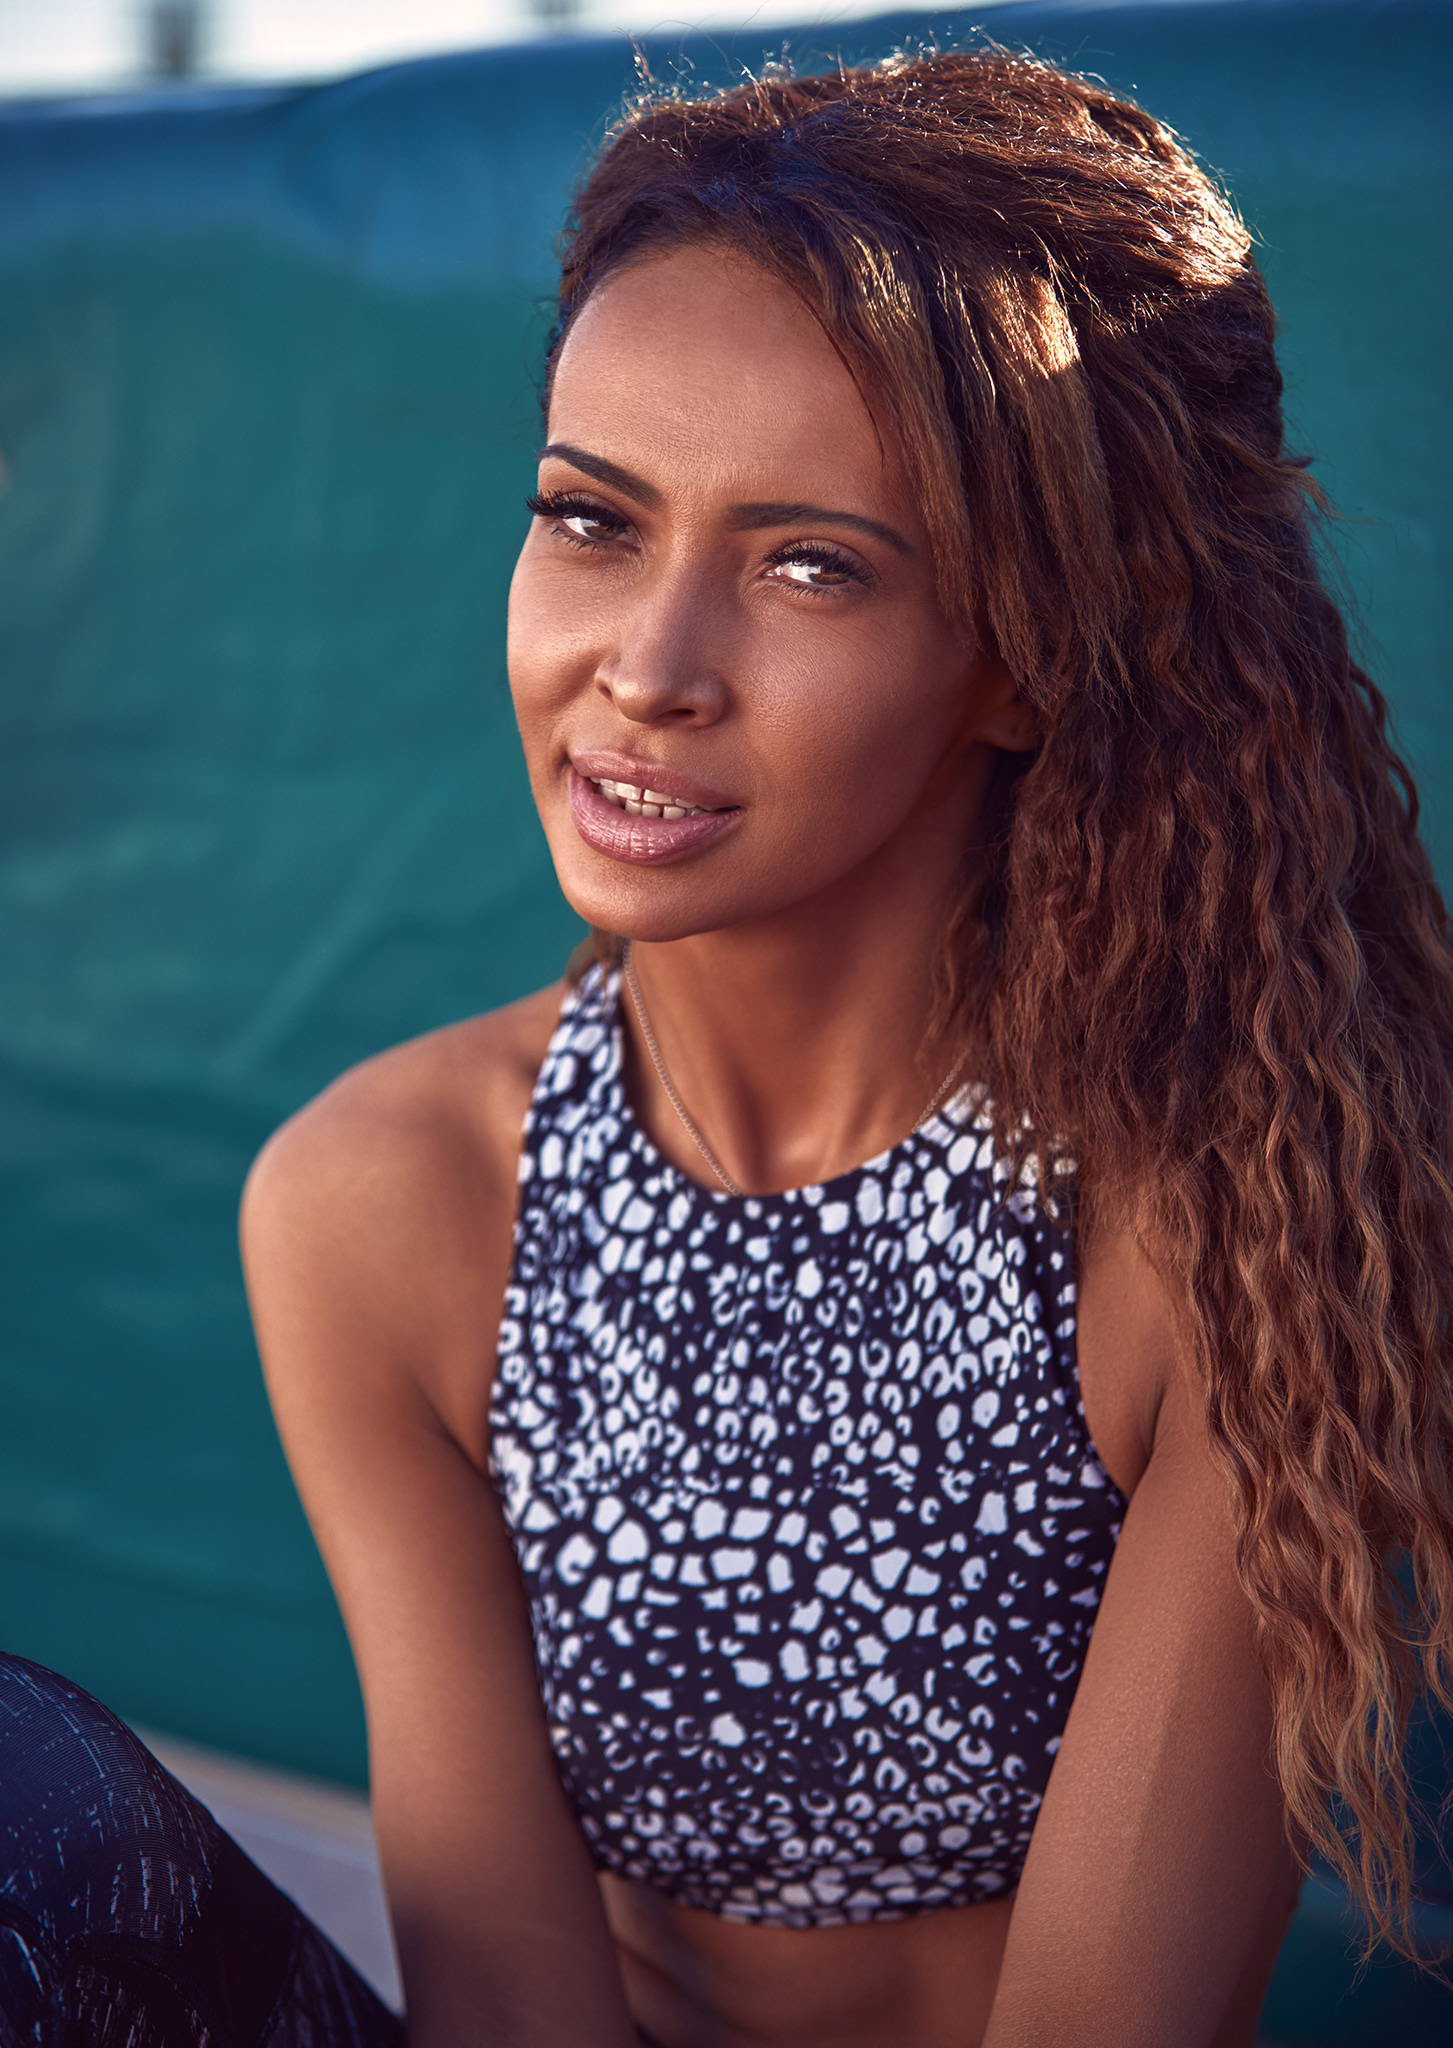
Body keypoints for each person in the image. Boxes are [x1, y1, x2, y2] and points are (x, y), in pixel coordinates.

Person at [3, 44, 1451, 2048]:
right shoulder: (389, 1200)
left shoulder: (1233, 1210)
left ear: (1030, 654)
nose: (648, 669)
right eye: (591, 519)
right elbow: (506, 2002)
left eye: (808, 564)